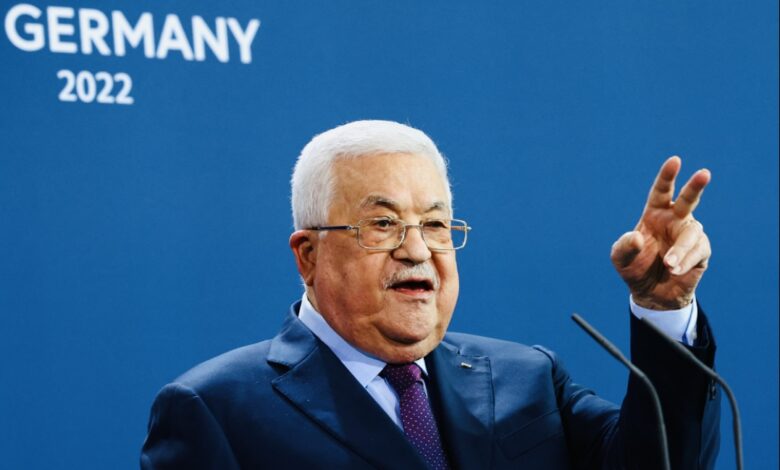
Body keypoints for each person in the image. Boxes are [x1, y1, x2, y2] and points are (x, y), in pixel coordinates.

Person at [141, 120, 719, 469]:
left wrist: (663, 308)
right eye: (383, 224)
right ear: (308, 255)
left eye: (437, 225)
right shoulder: (215, 410)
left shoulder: (527, 378)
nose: (417, 250)